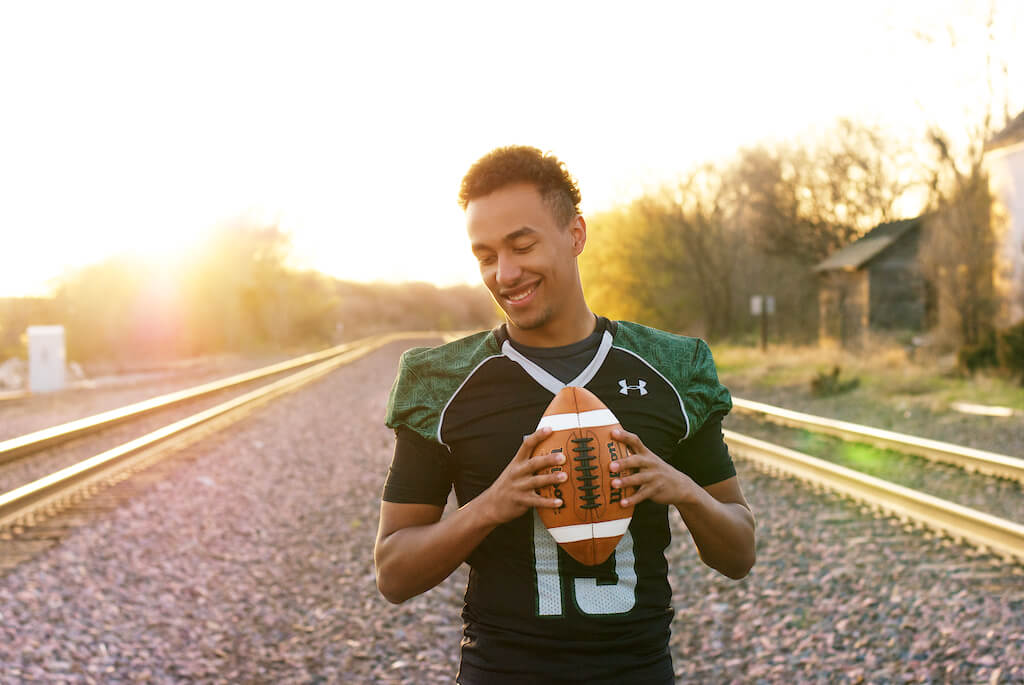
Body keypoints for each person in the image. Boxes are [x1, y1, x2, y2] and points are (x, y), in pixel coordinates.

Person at [374, 146, 756, 684]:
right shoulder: (444, 383)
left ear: (575, 235)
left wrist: (682, 489)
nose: (504, 273)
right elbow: (393, 573)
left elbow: (739, 552)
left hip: (639, 672)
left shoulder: (669, 368)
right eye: (485, 255)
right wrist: (490, 507)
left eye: (522, 245)